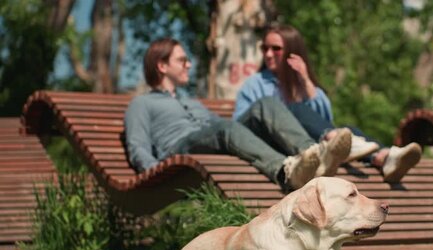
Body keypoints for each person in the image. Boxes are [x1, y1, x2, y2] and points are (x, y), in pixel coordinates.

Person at [125, 38, 352, 191]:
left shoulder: (189, 101)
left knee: (266, 104)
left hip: (215, 136)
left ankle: (312, 153)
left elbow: (221, 128)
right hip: (178, 150)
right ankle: (285, 170)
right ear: (162, 66)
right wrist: (155, 177)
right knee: (225, 127)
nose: (189, 65)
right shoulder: (141, 103)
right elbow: (138, 146)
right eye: (182, 60)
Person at [233, 24, 422, 183]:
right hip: (272, 145)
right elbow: (240, 125)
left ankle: (385, 158)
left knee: (347, 129)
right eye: (264, 48)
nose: (268, 54)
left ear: (292, 51)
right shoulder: (254, 84)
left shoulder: (300, 82)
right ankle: (351, 145)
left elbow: (323, 121)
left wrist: (306, 81)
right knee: (298, 111)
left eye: (276, 48)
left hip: (309, 150)